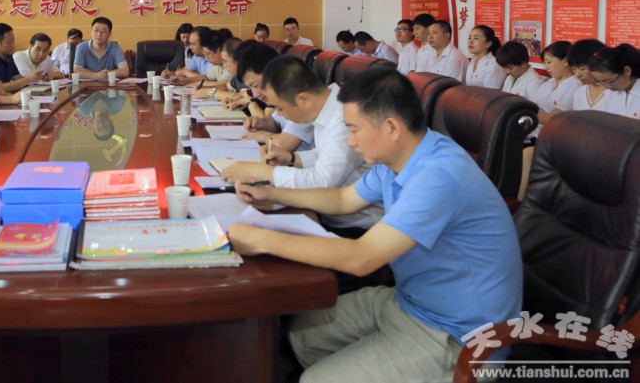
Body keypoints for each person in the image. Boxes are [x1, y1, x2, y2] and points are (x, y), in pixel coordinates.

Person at [227, 68, 522, 382]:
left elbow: (361, 257)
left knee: (315, 380)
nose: (350, 141)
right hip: (409, 302)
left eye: (354, 130)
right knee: (301, 333)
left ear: (391, 127)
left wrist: (260, 240)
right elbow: (343, 199)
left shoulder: (438, 176)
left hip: (460, 338)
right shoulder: (398, 157)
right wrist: (271, 194)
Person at [222, 55, 379, 231]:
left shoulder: (344, 117)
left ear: (303, 99)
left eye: (280, 107)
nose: (279, 114)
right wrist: (291, 159)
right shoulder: (329, 103)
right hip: (325, 212)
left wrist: (262, 172)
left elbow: (323, 180)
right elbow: (324, 153)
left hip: (357, 227)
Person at [234, 42, 315, 152]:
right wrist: (260, 122)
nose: (255, 94)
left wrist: (263, 136)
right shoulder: (282, 92)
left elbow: (283, 144)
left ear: (272, 72)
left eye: (256, 85)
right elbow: (275, 121)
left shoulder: (300, 97)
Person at [532, 41, 579, 135]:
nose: (546, 67)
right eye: (544, 63)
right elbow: (534, 106)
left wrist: (524, 111)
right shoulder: (548, 83)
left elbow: (551, 119)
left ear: (565, 61)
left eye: (549, 62)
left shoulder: (575, 86)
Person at [588, 43, 640, 120]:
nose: (606, 87)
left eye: (609, 81)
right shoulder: (610, 93)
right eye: (599, 82)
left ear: (627, 71)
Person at [0, 23, 40, 91]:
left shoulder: (9, 57)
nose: (13, 45)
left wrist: (36, 77)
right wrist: (28, 79)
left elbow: (17, 79)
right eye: (9, 42)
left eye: (13, 41)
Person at [569, 39, 609, 111]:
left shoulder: (614, 92)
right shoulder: (579, 92)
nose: (577, 74)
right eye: (574, 69)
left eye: (582, 69)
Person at [465, 25, 506, 89]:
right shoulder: (473, 60)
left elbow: (491, 93)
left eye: (476, 38)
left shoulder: (494, 65)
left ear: (488, 44)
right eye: (469, 38)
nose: (470, 42)